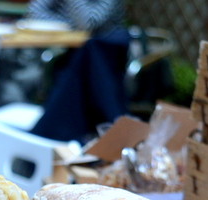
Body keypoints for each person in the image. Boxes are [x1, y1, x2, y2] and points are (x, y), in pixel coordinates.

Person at [25, 0, 130, 143]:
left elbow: (88, 23)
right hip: (65, 55)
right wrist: (69, 24)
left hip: (103, 61)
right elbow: (34, 12)